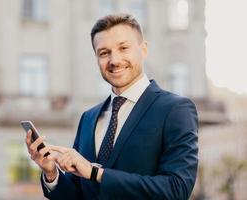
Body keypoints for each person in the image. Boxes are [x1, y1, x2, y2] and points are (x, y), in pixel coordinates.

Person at [26, 13, 198, 200]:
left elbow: (176, 189)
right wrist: (52, 173)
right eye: (104, 53)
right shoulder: (88, 118)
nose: (114, 60)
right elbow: (78, 194)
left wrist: (96, 173)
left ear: (144, 49)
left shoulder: (175, 110)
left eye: (123, 48)